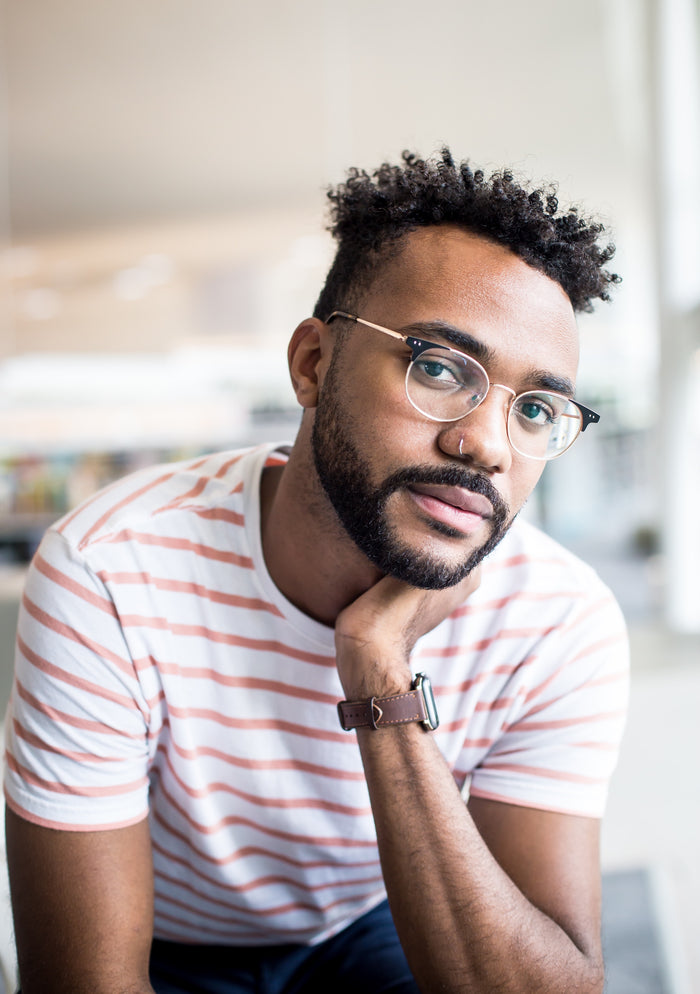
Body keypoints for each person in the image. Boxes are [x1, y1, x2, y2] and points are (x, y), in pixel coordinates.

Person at [4, 148, 629, 994]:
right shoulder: (111, 570)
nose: (486, 444)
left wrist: (380, 673)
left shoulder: (561, 620)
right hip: (172, 937)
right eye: (439, 368)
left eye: (536, 408)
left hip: (377, 915)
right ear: (312, 364)